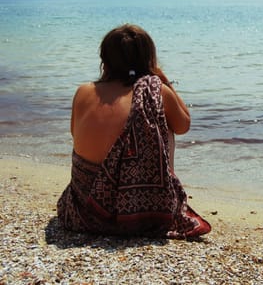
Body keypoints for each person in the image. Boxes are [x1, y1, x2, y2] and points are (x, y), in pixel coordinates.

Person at [57, 24, 211, 239]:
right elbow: (184, 125)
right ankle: (158, 202)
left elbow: (75, 133)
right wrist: (162, 81)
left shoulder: (83, 91)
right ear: (149, 58)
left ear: (105, 58)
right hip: (137, 216)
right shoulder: (156, 91)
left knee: (147, 118)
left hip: (81, 210)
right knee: (165, 125)